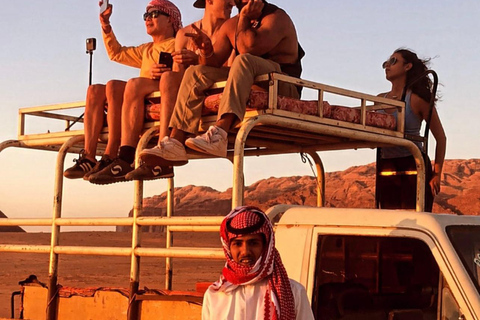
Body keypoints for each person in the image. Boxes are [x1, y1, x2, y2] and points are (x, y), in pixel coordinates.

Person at [137, 0, 304, 168]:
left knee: (243, 60)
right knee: (196, 72)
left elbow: (249, 47)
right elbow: (213, 61)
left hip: (282, 84)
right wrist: (206, 50)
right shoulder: (234, 23)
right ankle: (175, 141)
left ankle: (220, 133)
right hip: (250, 80)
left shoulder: (276, 17)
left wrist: (245, 17)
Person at [64, 0, 181, 182]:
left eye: (155, 14)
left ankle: (118, 153)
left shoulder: (179, 43)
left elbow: (187, 70)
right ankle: (89, 156)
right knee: (97, 89)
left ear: (170, 20)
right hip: (140, 93)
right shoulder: (146, 50)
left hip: (161, 92)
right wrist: (106, 25)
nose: (148, 18)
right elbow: (116, 53)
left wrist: (170, 68)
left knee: (133, 83)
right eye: (146, 15)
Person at [125, 0, 236, 181]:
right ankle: (157, 147)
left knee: (192, 72)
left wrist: (199, 59)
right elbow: (178, 76)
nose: (232, 3)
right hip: (192, 85)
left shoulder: (232, 29)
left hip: (218, 84)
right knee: (167, 78)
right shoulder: (185, 34)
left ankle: (168, 147)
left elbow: (233, 70)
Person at [202, 206, 315, 320]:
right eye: (238, 243)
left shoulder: (293, 292)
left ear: (265, 246)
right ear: (228, 248)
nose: (245, 251)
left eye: (253, 243)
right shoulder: (215, 295)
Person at [377, 48, 447, 212]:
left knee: (415, 219)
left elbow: (441, 138)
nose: (388, 66)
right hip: (386, 165)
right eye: (386, 63)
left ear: (407, 66)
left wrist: (437, 174)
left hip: (413, 163)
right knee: (389, 219)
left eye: (393, 61)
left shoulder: (416, 99)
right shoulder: (379, 99)